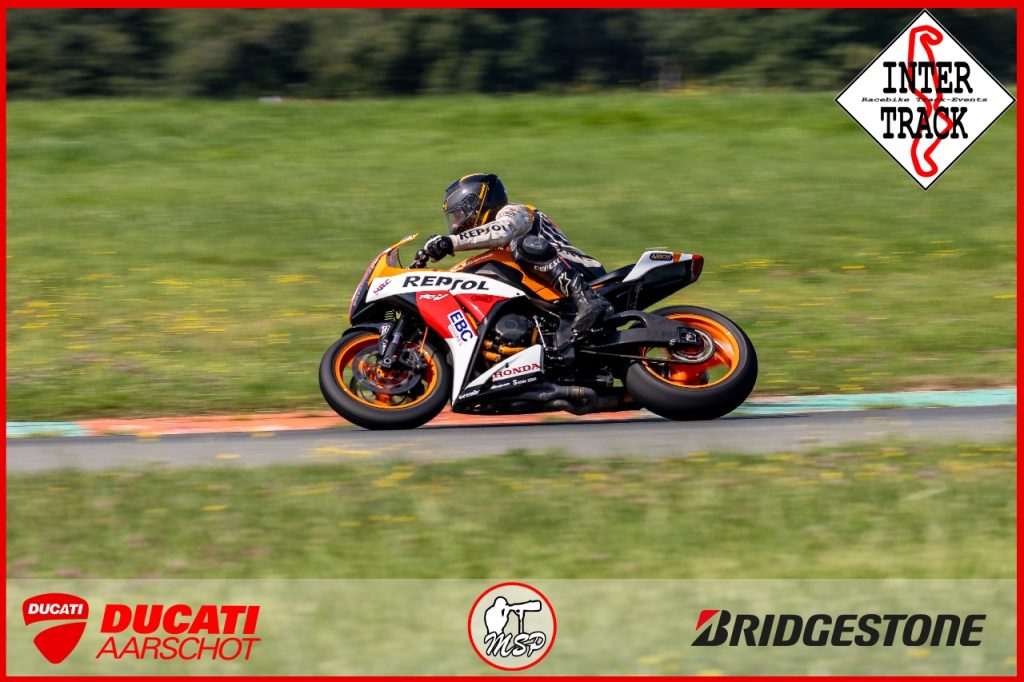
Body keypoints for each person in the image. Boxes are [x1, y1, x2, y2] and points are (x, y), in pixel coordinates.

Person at [421, 173, 613, 359]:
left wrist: (450, 242)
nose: (455, 225)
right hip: (556, 290)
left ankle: (588, 299)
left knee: (520, 245)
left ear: (475, 205)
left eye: (458, 215)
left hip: (582, 270)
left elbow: (502, 231)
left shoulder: (514, 212)